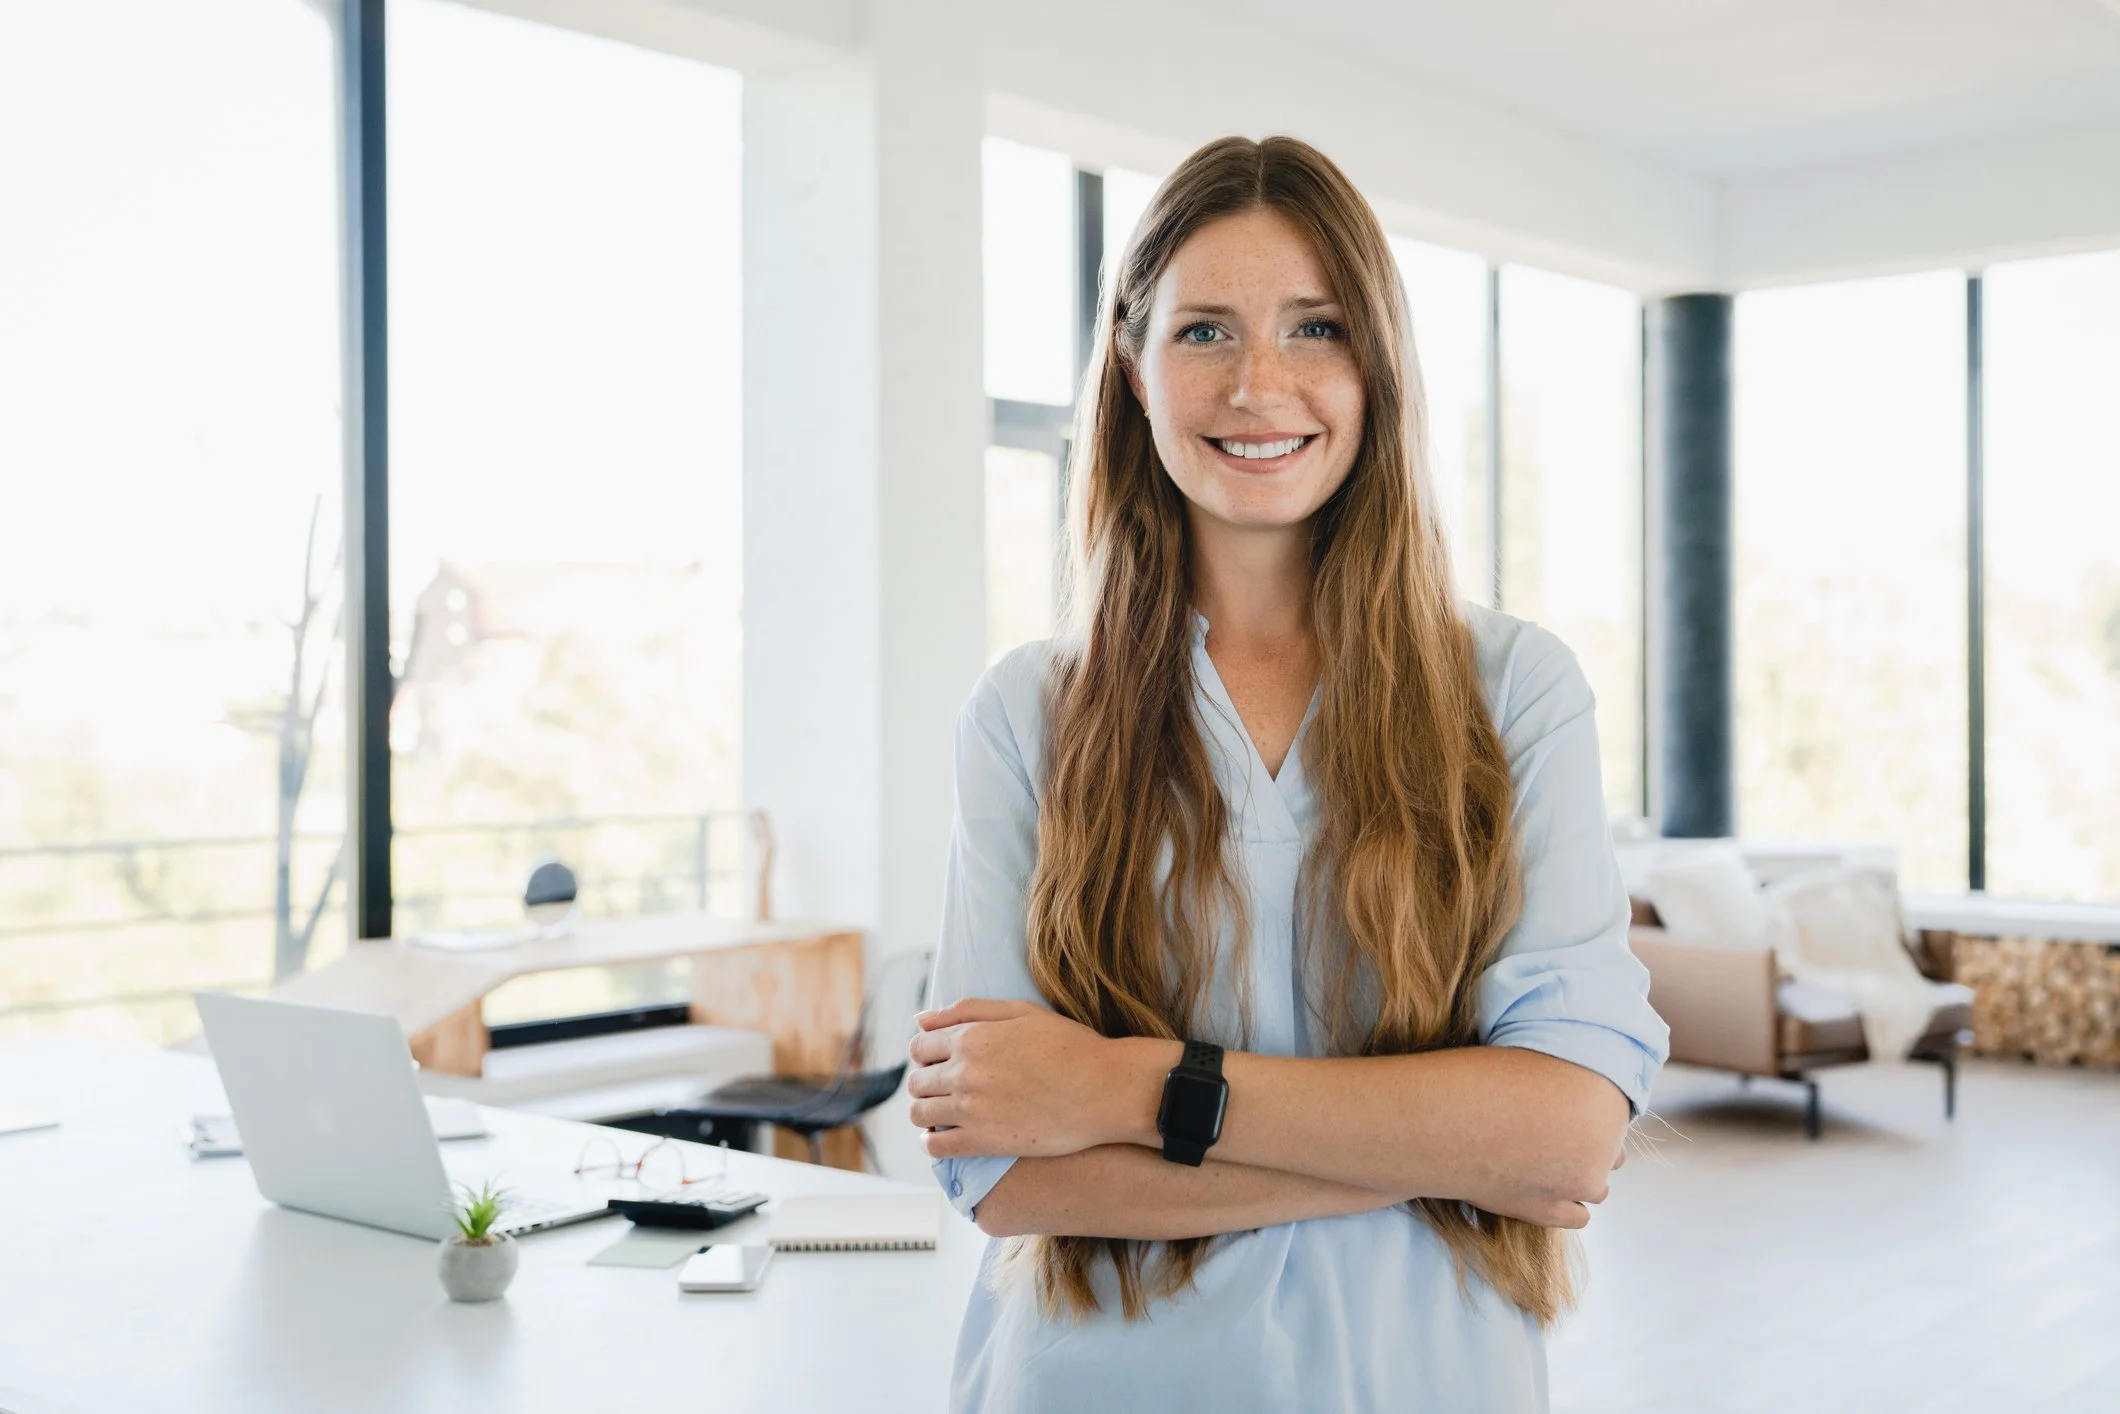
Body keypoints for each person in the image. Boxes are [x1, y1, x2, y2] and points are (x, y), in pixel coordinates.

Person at [905, 134, 1669, 1414]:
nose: (1260, 384)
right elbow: (1006, 1175)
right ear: (1132, 371)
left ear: (1376, 370)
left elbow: (1561, 1134)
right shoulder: (1028, 712)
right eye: (1204, 331)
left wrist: (1115, 1087)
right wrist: (1440, 1152)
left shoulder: (1512, 690)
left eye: (1313, 327)